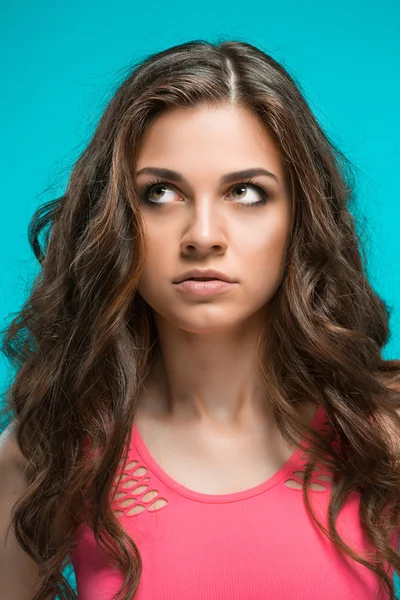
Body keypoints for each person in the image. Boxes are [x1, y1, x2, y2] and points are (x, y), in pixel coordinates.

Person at [1, 38, 400, 600]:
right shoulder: (49, 448)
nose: (203, 236)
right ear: (116, 219)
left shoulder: (381, 432)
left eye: (246, 192)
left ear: (299, 216)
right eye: (160, 193)